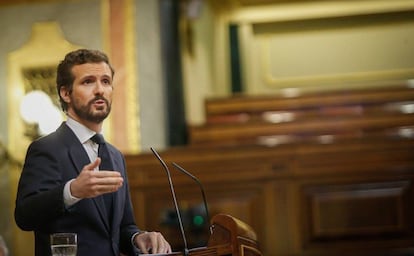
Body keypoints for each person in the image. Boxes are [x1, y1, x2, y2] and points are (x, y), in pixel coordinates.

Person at [14, 49, 172, 256]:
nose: (100, 90)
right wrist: (72, 191)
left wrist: (138, 237)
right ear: (65, 93)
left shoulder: (115, 156)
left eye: (106, 81)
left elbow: (122, 228)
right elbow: (25, 216)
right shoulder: (46, 148)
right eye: (88, 82)